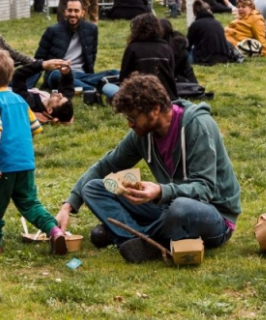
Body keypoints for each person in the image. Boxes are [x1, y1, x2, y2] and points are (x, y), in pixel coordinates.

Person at [55, 75, 240, 262]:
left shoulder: (197, 125)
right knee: (93, 188)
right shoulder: (142, 134)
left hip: (212, 215)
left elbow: (205, 189)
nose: (130, 124)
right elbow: (106, 165)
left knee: (181, 208)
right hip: (168, 208)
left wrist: (160, 191)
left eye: (133, 118)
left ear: (155, 109)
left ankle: (129, 235)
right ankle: (141, 240)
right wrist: (68, 206)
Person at [0, 51, 70, 255]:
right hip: (25, 163)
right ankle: (54, 231)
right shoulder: (20, 100)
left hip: (2, 166)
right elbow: (33, 128)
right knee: (30, 203)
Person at [27, 0, 99, 100]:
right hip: (58, 74)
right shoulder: (52, 31)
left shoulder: (91, 29)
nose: (73, 14)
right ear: (65, 12)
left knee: (114, 73)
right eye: (70, 10)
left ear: (83, 13)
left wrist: (90, 75)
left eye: (76, 11)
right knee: (57, 74)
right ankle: (93, 89)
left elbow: (92, 56)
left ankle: (85, 85)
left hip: (81, 74)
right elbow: (38, 60)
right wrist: (28, 84)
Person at [118, 12, 179, 96]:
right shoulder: (166, 48)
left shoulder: (132, 48)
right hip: (165, 95)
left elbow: (124, 77)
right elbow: (171, 73)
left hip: (138, 95)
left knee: (108, 87)